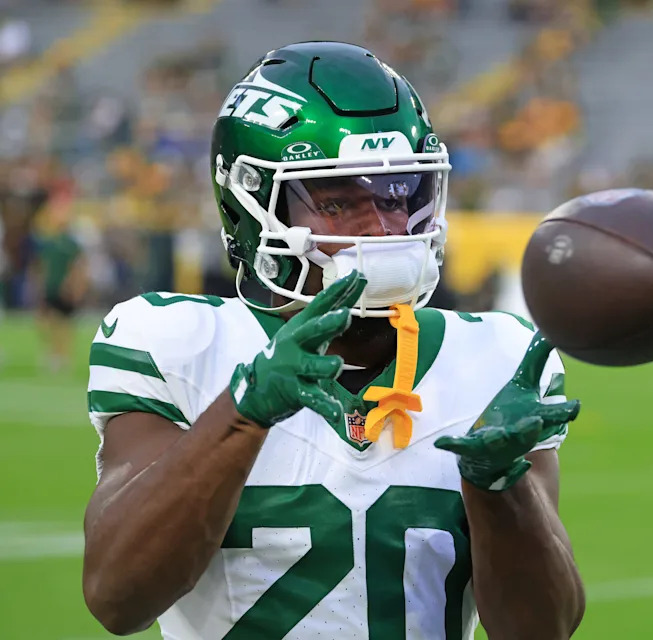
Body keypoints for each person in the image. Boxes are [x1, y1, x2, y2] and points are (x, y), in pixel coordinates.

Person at [82, 42, 585, 639]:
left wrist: (501, 487)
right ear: (247, 206)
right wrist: (242, 414)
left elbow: (541, 630)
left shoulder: (494, 358)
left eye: (400, 193)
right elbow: (118, 598)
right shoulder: (176, 341)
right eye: (339, 201)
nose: (385, 228)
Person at [32, 185, 87, 373]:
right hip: (51, 286)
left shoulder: (71, 244)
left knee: (64, 323)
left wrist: (75, 287)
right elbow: (42, 265)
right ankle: (54, 352)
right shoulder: (48, 242)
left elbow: (78, 267)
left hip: (64, 288)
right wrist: (40, 283)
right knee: (45, 321)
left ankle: (62, 355)